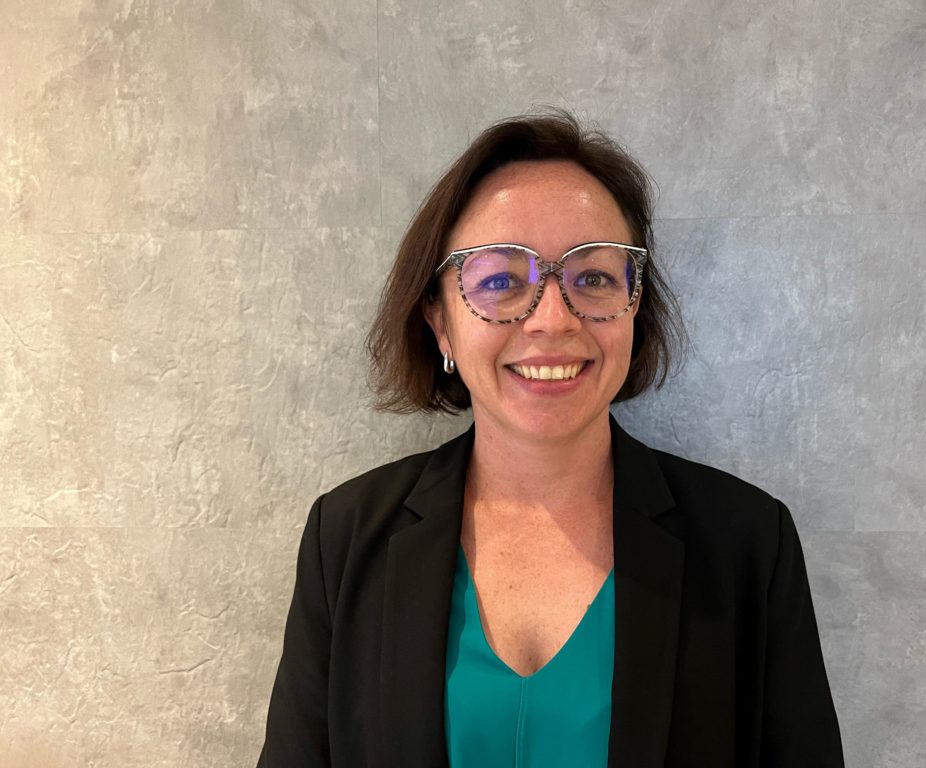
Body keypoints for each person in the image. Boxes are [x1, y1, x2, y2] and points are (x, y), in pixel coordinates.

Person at [257, 111, 844, 767]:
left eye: (593, 277)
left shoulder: (748, 545)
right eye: (501, 281)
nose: (553, 320)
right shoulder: (344, 538)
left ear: (635, 306)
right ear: (440, 323)